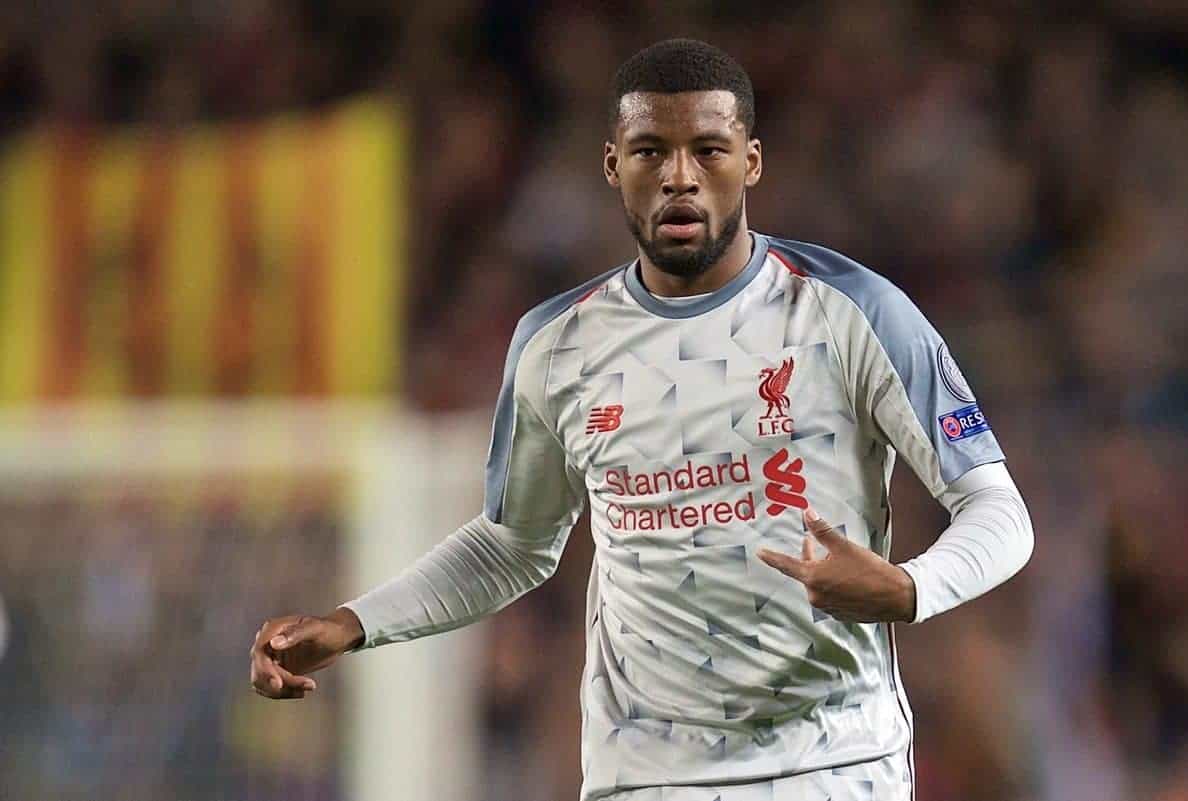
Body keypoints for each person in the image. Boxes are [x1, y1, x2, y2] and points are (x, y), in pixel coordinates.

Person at [250, 38, 1034, 801]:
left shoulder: (853, 311)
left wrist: (908, 587)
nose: (680, 178)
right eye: (651, 151)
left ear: (751, 162)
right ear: (612, 164)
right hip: (643, 776)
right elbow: (511, 545)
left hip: (831, 766)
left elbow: (999, 510)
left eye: (710, 150)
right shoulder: (557, 346)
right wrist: (352, 624)